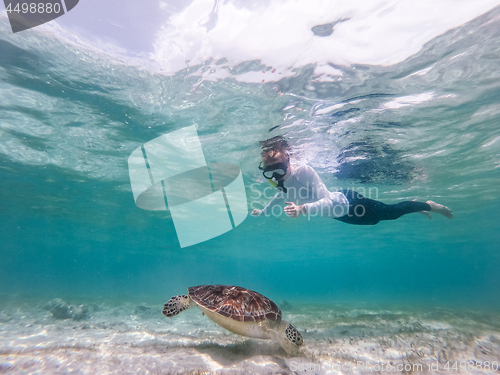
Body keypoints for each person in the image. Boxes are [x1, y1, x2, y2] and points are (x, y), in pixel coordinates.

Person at [251, 137, 452, 224]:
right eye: (269, 173)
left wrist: (302, 209)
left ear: (288, 160)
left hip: (349, 204)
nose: (275, 177)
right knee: (385, 216)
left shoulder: (304, 171)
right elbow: (281, 195)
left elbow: (328, 201)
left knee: (389, 214)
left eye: (278, 169)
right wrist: (263, 211)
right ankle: (416, 206)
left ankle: (426, 205)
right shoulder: (281, 181)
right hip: (341, 216)